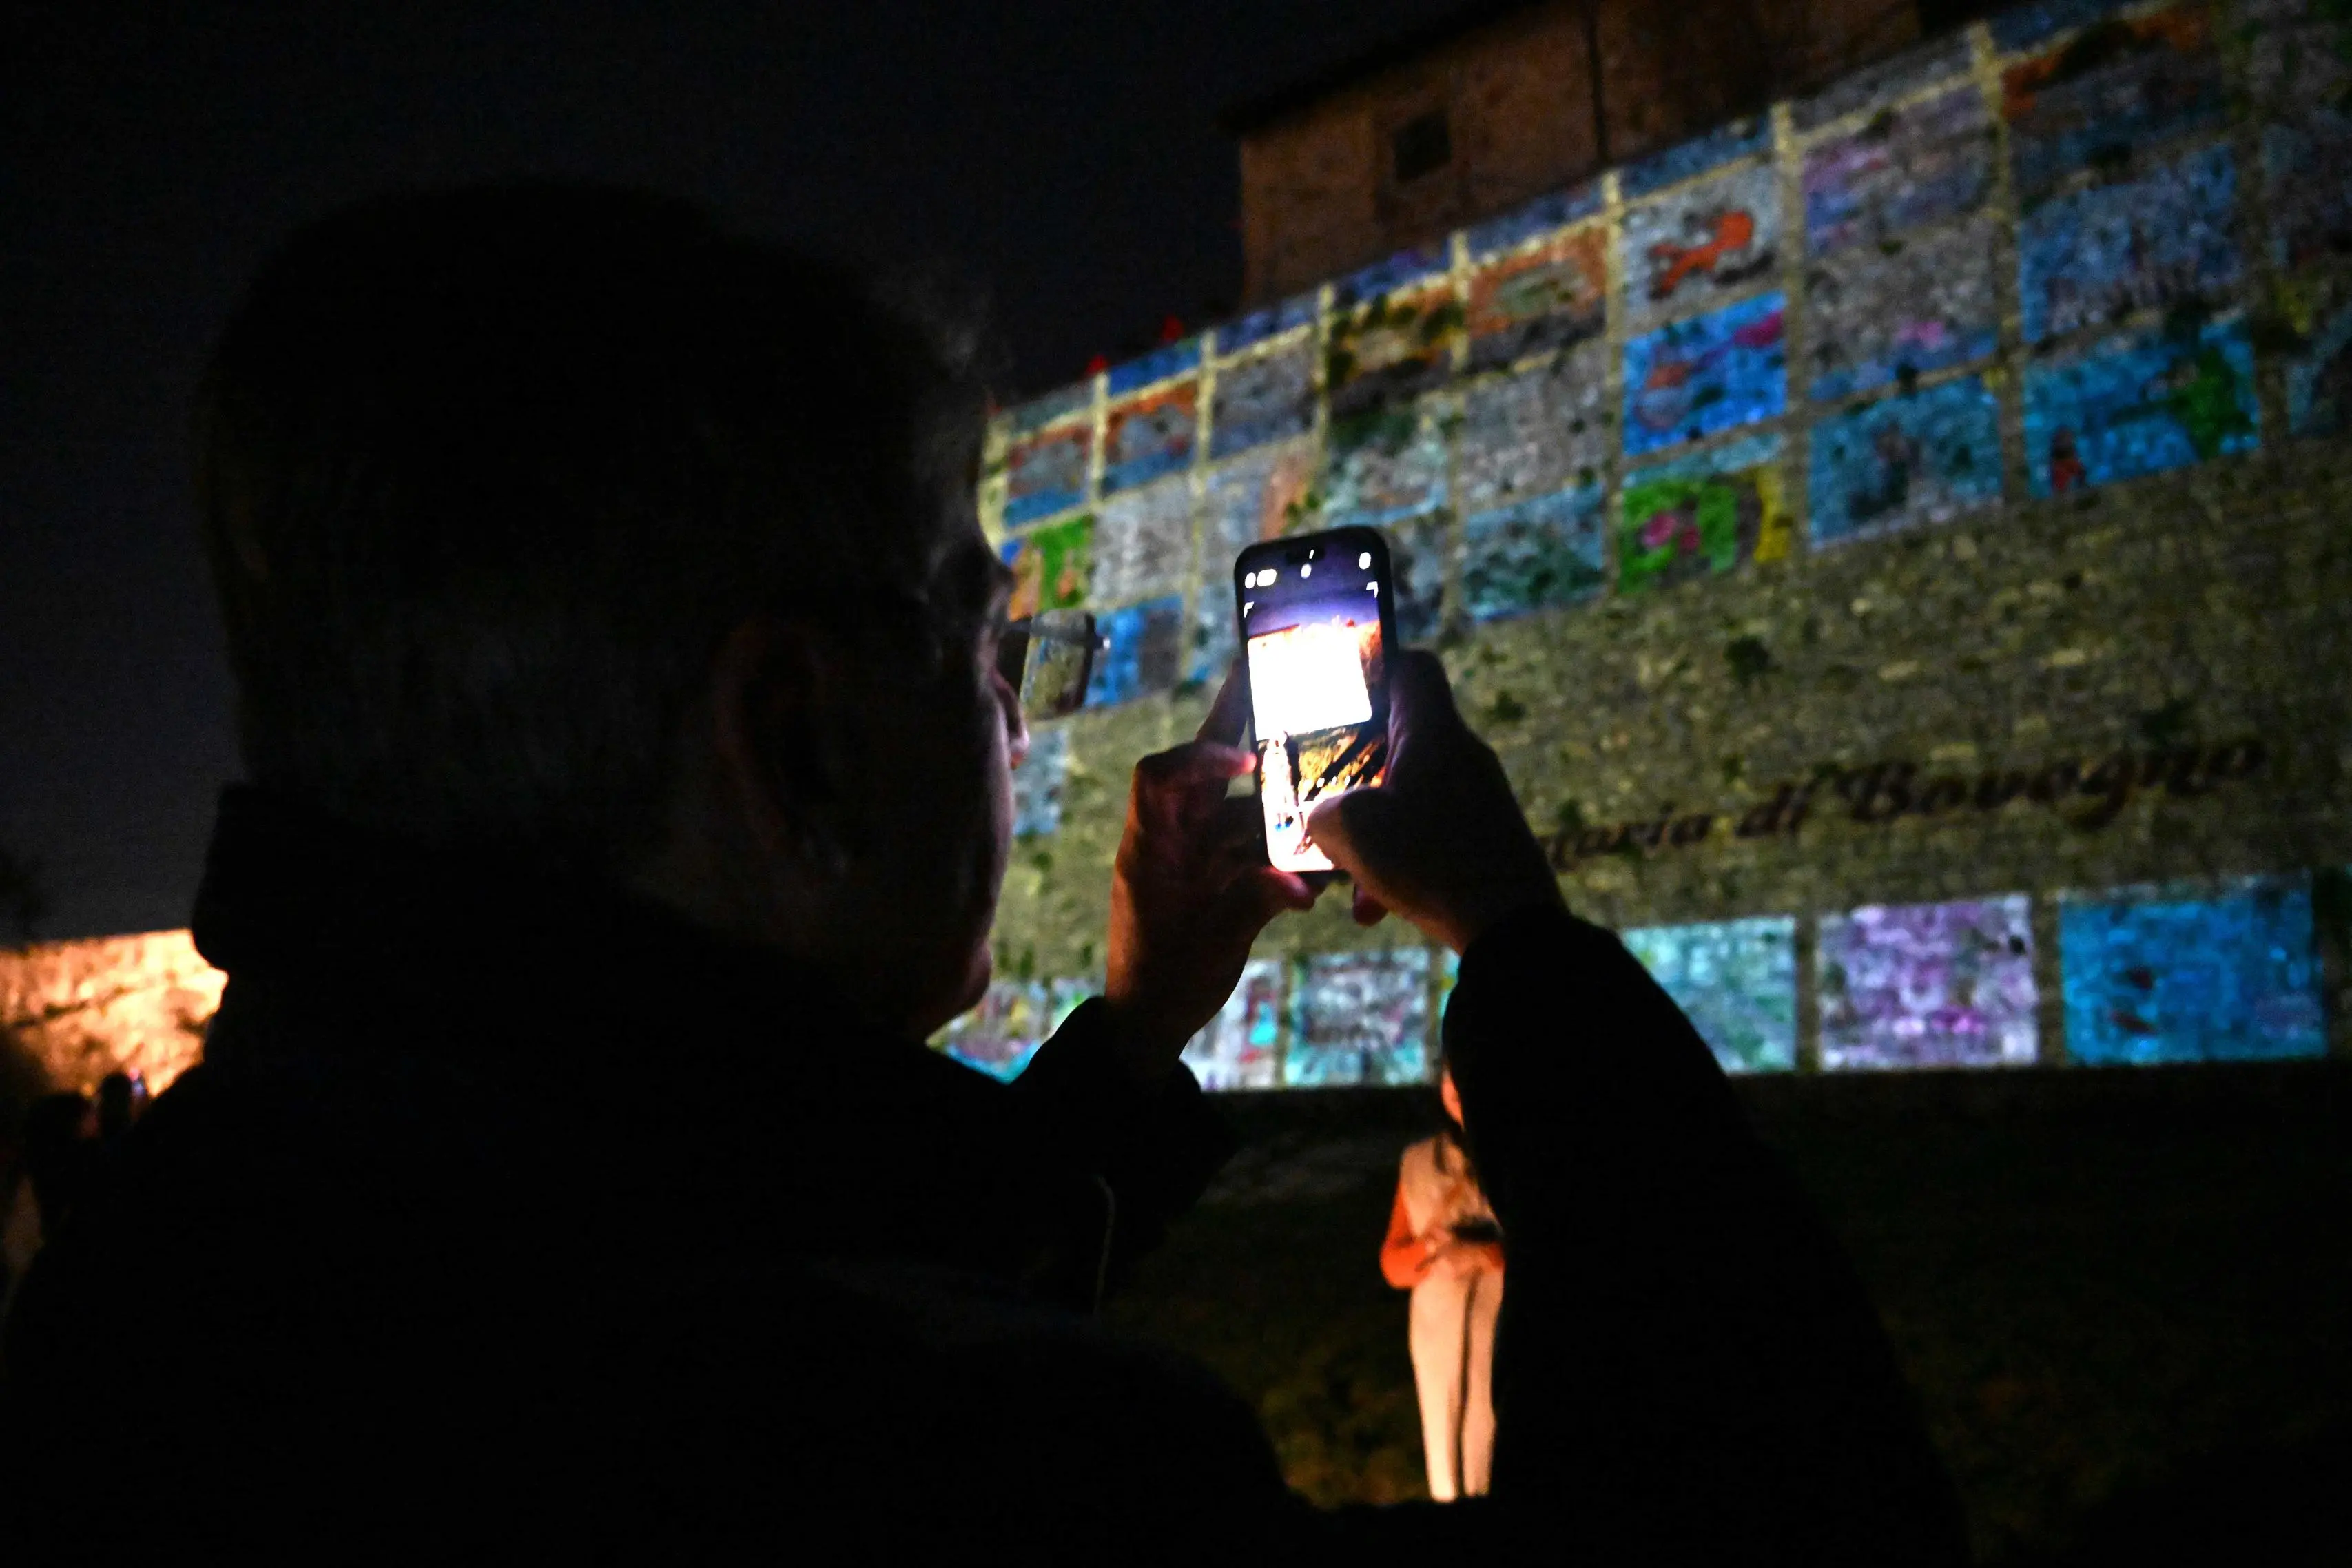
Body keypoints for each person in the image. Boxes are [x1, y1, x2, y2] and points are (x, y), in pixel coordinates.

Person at [0, 185, 1967, 1562]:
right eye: (981, 633)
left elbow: (765, 1210)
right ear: (794, 739)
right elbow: (1787, 1515)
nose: (1015, 712)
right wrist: (1515, 941)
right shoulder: (988, 1469)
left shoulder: (170, 1281)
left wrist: (1130, 1038)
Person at [1381, 1061, 1504, 1500]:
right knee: (1446, 1454)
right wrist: (1429, 1248)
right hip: (1439, 1339)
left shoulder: (1531, 1154)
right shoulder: (1419, 1161)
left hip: (1505, 1336)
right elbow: (1393, 1265)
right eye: (1452, 1074)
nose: (1460, 1087)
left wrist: (1489, 1254)